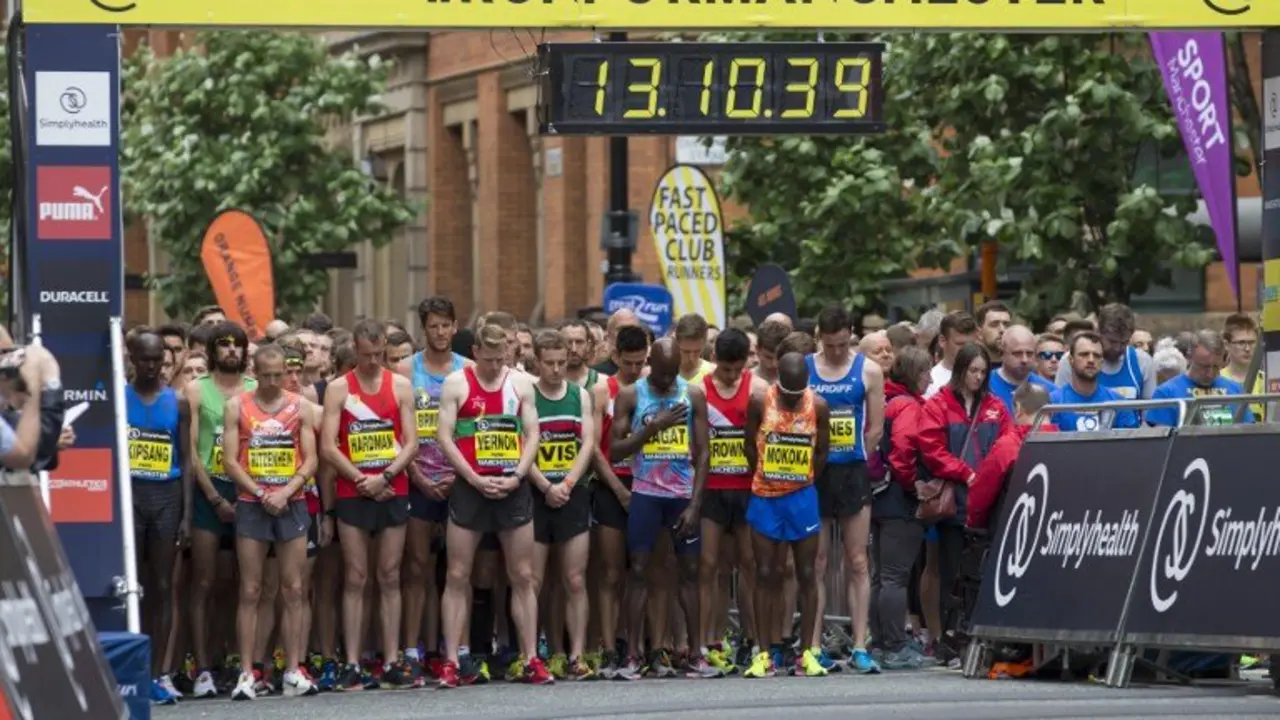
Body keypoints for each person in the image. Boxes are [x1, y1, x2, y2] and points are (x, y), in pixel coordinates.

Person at [436, 323, 549, 687]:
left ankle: (531, 657)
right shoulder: (457, 383)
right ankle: (452, 660)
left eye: (501, 359)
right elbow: (444, 436)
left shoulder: (520, 383)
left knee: (523, 576)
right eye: (488, 359)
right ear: (476, 353)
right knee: (457, 575)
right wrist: (472, 478)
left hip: (511, 486)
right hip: (472, 487)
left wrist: (517, 475)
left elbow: (533, 433)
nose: (495, 365)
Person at [320, 319, 419, 690]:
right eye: (367, 355)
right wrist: (362, 481)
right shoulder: (339, 388)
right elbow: (329, 445)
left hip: (393, 488)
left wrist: (386, 477)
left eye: (380, 354)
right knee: (356, 576)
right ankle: (351, 662)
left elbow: (411, 443)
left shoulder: (402, 386)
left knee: (390, 575)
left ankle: (392, 659)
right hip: (353, 490)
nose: (374, 361)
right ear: (355, 351)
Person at [610, 337, 712, 679]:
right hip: (646, 494)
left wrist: (695, 505)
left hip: (682, 495)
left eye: (673, 374)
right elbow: (616, 451)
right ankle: (634, 655)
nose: (668, 382)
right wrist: (653, 427)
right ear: (651, 363)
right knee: (637, 570)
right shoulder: (631, 395)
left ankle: (696, 653)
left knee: (690, 573)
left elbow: (704, 453)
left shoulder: (693, 394)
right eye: (662, 374)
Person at [223, 345, 319, 700]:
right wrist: (262, 494)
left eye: (280, 374)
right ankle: (247, 672)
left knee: (293, 588)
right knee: (251, 589)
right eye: (268, 375)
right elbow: (231, 462)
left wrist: (286, 491)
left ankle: (293, 669)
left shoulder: (300, 406)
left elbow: (310, 460)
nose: (275, 382)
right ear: (256, 372)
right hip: (252, 502)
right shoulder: (238, 406)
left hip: (291, 502)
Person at [916, 342, 1010, 664]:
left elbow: (1007, 444)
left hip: (985, 504)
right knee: (950, 571)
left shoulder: (996, 406)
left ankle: (974, 639)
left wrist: (984, 478)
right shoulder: (938, 404)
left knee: (979, 573)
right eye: (973, 371)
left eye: (983, 372)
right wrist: (966, 474)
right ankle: (947, 640)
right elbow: (931, 448)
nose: (978, 377)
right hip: (954, 503)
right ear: (960, 371)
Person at [806, 306, 884, 674]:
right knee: (817, 562)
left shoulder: (868, 370)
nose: (836, 351)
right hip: (814, 473)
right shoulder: (805, 368)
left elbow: (876, 428)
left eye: (841, 344)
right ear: (819, 337)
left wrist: (856, 457)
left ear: (850, 335)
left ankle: (859, 644)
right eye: (829, 344)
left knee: (857, 561)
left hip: (852, 472)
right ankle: (813, 644)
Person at [742, 352, 829, 678]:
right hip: (765, 497)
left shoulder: (817, 405)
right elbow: (749, 445)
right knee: (765, 572)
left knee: (807, 573)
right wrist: (765, 476)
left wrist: (803, 481)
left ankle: (807, 652)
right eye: (788, 395)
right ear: (778, 381)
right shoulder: (759, 401)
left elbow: (823, 452)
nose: (793, 400)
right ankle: (763, 653)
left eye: (798, 394)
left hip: (801, 498)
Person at [396, 296, 469, 676]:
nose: (441, 332)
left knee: (459, 570)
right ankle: (412, 648)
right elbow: (397, 432)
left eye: (446, 325)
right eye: (434, 326)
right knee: (417, 567)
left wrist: (460, 475)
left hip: (460, 480)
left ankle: (460, 647)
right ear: (423, 329)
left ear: (456, 326)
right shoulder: (407, 371)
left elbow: (474, 432)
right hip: (418, 478)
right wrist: (417, 477)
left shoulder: (468, 370)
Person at [184, 322, 257, 698]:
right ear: (212, 351)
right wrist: (213, 497)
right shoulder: (196, 390)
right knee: (204, 581)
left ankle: (236, 659)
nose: (231, 350)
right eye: (223, 344)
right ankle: (202, 666)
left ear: (246, 351)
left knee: (242, 583)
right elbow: (192, 450)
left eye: (237, 344)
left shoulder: (255, 389)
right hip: (208, 489)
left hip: (247, 488)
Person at [526, 330, 597, 680]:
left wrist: (567, 483)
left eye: (561, 363)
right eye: (549, 363)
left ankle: (576, 654)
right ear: (537, 361)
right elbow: (523, 443)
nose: (556, 370)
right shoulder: (527, 395)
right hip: (537, 494)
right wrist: (544, 485)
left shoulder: (579, 395)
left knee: (574, 578)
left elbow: (587, 444)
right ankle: (547, 650)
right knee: (536, 580)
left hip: (572, 492)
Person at [698, 328, 767, 674]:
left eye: (735, 370)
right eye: (724, 369)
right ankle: (711, 639)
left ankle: (752, 639)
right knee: (711, 567)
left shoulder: (757, 389)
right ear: (714, 361)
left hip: (746, 489)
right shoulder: (700, 390)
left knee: (749, 565)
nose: (729, 376)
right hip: (712, 489)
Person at [126, 333, 190, 700]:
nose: (152, 366)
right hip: (132, 493)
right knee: (134, 585)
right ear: (133, 358)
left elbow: (187, 460)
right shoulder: (120, 397)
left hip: (166, 495)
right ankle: (132, 669)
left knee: (164, 586)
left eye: (158, 360)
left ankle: (159, 673)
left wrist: (184, 515)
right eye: (145, 359)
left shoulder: (178, 402)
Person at [592, 325, 649, 678]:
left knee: (643, 572)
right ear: (615, 358)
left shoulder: (651, 388)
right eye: (628, 363)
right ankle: (610, 646)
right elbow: (596, 450)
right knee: (611, 573)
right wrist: (619, 490)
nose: (634, 369)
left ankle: (639, 644)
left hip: (646, 486)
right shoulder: (602, 390)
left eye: (640, 362)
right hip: (612, 486)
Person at [871, 347, 933, 670]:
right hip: (900, 500)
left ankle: (881, 642)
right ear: (914, 374)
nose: (930, 378)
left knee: (881, 577)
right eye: (925, 373)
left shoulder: (888, 401)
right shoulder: (909, 406)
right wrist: (914, 486)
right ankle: (895, 645)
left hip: (880, 497)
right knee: (895, 577)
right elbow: (904, 451)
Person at [967, 383, 1054, 531]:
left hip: (1009, 534)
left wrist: (972, 522)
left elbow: (981, 495)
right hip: (1052, 535)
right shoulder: (1065, 444)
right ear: (1050, 412)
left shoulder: (1008, 446)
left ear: (1018, 409)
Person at [1146, 330, 1250, 427]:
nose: (1210, 374)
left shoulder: (1236, 391)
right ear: (1189, 357)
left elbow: (1248, 431)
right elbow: (1161, 440)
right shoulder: (1167, 393)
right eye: (1203, 367)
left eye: (1216, 367)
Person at [1054, 303, 1155, 400]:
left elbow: (1149, 411)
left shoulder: (1143, 361)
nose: (1117, 348)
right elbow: (1059, 407)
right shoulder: (1072, 360)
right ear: (1098, 332)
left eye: (1124, 343)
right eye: (1112, 341)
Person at [1048, 331, 1141, 432]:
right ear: (1071, 360)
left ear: (1102, 362)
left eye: (1097, 355)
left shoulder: (1118, 403)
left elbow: (1129, 445)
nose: (1091, 360)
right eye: (1084, 354)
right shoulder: (1053, 402)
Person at [987, 326, 1054, 414]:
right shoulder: (985, 385)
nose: (1024, 360)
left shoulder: (1049, 390)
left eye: (1029, 353)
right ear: (1002, 353)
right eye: (1017, 353)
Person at [926, 312, 978, 398]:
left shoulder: (984, 376)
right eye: (960, 344)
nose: (967, 350)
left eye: (972, 344)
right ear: (942, 341)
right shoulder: (930, 382)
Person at [592, 308, 642, 375]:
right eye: (622, 329)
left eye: (632, 329)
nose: (628, 333)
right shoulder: (596, 374)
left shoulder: (650, 373)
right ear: (608, 336)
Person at [675, 313, 716, 383]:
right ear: (676, 342)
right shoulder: (665, 372)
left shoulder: (712, 373)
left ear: (705, 343)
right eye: (686, 352)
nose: (691, 358)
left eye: (697, 351)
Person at [754, 320, 791, 385]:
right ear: (757, 349)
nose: (774, 364)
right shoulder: (744, 380)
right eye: (768, 357)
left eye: (779, 357)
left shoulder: (795, 380)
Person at [975, 301, 1012, 367]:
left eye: (1006, 325)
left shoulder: (1021, 368)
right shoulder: (970, 371)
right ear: (979, 333)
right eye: (994, 324)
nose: (1002, 330)